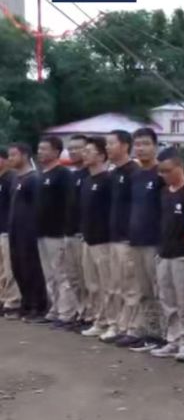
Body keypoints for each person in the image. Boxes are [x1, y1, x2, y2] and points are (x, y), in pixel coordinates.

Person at [150, 147, 184, 360]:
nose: (164, 176)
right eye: (160, 172)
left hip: (183, 256)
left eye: (167, 170)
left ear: (180, 167)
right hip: (164, 253)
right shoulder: (163, 193)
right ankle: (173, 339)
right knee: (168, 301)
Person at [120, 127, 165, 351]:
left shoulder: (161, 174)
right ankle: (150, 334)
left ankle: (165, 336)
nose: (141, 148)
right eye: (137, 144)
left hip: (154, 242)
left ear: (155, 146)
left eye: (146, 144)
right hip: (135, 241)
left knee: (159, 291)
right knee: (143, 292)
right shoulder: (135, 176)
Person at [34, 136, 77, 329]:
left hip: (57, 233)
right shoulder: (42, 174)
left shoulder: (64, 175)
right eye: (39, 149)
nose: (40, 152)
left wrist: (66, 229)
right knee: (49, 274)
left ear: (56, 152)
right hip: (42, 232)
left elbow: (69, 204)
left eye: (45, 149)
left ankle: (66, 313)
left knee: (62, 274)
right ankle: (54, 309)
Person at [101, 130, 138, 344]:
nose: (107, 147)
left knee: (129, 285)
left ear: (124, 146)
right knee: (114, 285)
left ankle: (130, 327)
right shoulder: (112, 174)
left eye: (111, 143)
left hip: (127, 238)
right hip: (111, 236)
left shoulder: (134, 172)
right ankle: (116, 324)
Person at [8, 143, 48, 322]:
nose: (10, 159)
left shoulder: (34, 179)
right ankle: (25, 304)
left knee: (31, 269)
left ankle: (37, 306)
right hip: (14, 231)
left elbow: (38, 208)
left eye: (13, 155)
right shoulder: (16, 179)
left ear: (24, 156)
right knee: (18, 269)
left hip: (28, 232)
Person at [79, 137, 114, 338]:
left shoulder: (108, 180)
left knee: (107, 284)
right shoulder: (86, 180)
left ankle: (111, 321)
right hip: (88, 239)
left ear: (101, 156)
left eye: (89, 151)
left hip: (104, 240)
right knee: (92, 284)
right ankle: (99, 320)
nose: (84, 154)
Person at [64, 135, 90, 330]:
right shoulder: (72, 176)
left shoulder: (91, 175)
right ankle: (80, 312)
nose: (73, 152)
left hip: (84, 235)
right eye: (70, 148)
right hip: (69, 233)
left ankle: (90, 315)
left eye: (78, 148)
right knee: (73, 277)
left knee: (87, 278)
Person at [0, 148, 20, 318]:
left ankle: (12, 302)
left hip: (7, 230)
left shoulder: (11, 178)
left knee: (8, 269)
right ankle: (2, 298)